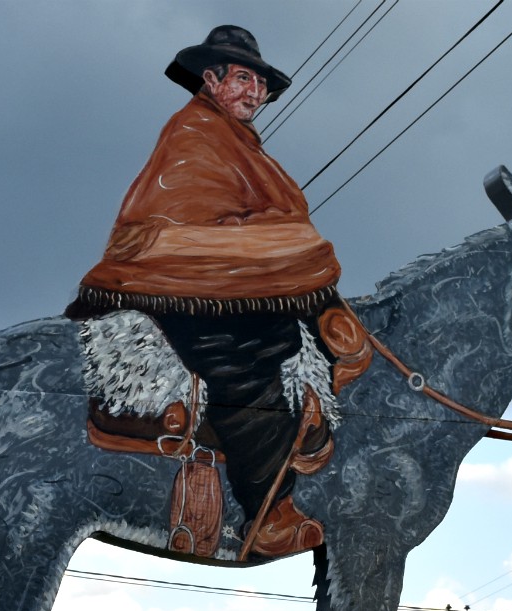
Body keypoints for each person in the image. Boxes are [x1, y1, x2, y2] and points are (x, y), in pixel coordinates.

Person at [67, 25, 340, 557]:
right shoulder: (193, 134)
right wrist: (276, 245)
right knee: (248, 363)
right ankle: (270, 513)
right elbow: (188, 228)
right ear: (211, 79)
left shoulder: (239, 143)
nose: (254, 92)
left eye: (260, 83)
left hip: (220, 281)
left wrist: (278, 245)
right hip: (175, 284)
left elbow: (265, 218)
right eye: (242, 78)